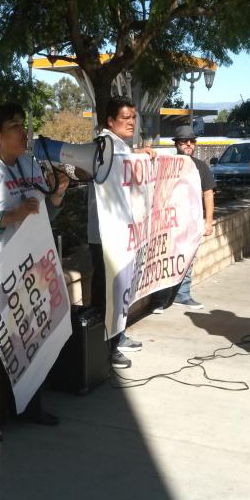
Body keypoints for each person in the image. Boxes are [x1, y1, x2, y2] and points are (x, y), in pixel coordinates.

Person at [0, 102, 69, 443]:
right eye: (15, 125)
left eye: (23, 124)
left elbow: (43, 215)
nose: (24, 131)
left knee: (31, 338)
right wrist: (10, 216)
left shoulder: (28, 164)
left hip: (30, 270)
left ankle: (30, 406)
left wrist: (57, 194)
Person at [88, 95, 156, 369]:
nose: (131, 122)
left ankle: (119, 335)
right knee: (108, 289)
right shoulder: (103, 145)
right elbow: (109, 166)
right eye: (125, 118)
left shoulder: (120, 146)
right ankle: (107, 347)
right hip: (106, 235)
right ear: (110, 121)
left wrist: (138, 154)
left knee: (120, 287)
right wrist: (136, 155)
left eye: (133, 118)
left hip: (121, 233)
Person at [152, 124, 215, 314]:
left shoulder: (200, 166)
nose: (189, 144)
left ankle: (183, 295)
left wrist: (209, 221)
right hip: (169, 224)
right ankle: (159, 300)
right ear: (177, 144)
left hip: (192, 224)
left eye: (192, 141)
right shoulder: (166, 163)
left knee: (188, 260)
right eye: (184, 141)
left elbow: (208, 193)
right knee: (164, 261)